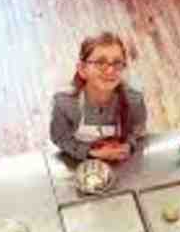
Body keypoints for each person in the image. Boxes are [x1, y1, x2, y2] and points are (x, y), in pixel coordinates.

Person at [50, 32, 147, 162]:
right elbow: (60, 137)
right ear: (82, 69)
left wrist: (128, 146)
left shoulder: (134, 100)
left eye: (117, 63)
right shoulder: (64, 102)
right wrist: (90, 153)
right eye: (100, 63)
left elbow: (137, 129)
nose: (110, 71)